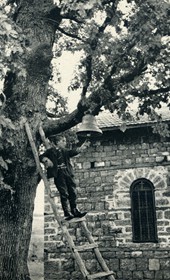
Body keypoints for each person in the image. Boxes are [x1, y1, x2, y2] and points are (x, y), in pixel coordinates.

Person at [40, 135, 90, 220]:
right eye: (62, 141)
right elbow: (41, 156)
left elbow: (73, 152)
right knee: (64, 193)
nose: (65, 142)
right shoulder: (50, 151)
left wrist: (81, 148)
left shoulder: (65, 151)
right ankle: (67, 212)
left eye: (65, 141)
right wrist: (46, 160)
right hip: (59, 175)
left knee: (73, 192)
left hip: (68, 173)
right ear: (57, 143)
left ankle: (74, 210)